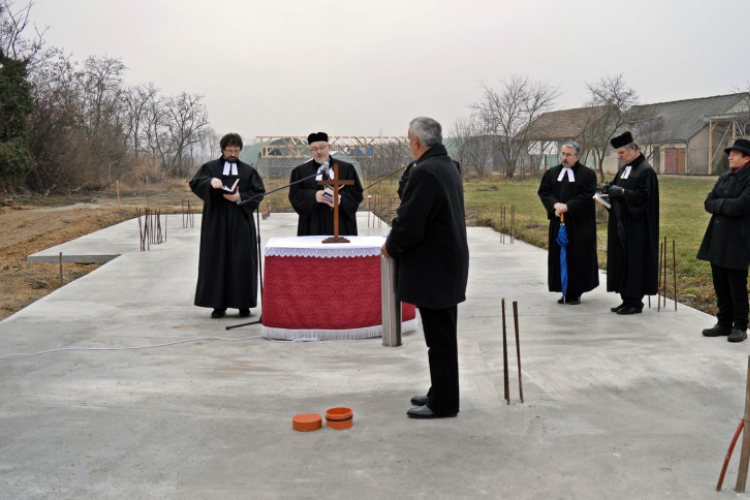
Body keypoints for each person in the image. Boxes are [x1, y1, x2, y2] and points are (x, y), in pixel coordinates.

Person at [381, 117, 469, 419]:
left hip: (436, 268)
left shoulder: (426, 171)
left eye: (408, 139)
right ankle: (439, 391)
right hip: (447, 264)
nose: (409, 144)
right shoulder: (446, 165)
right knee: (439, 338)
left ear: (417, 142)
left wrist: (391, 246)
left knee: (441, 340)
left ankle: (444, 404)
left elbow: (410, 223)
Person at [189, 133, 266, 318]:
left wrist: (241, 197)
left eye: (236, 151)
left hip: (241, 221)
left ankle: (243, 304)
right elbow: (195, 182)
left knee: (242, 260)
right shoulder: (210, 167)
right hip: (216, 221)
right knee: (217, 260)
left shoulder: (248, 171)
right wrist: (209, 182)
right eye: (229, 150)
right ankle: (218, 304)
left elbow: (259, 192)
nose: (233, 153)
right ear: (222, 150)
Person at [698, 139, 750, 343]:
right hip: (718, 238)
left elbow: (742, 205)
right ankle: (723, 322)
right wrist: (724, 205)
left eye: (735, 154)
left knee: (736, 284)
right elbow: (707, 203)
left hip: (739, 239)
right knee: (719, 281)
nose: (730, 156)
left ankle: (740, 325)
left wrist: (720, 204)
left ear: (747, 158)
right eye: (730, 154)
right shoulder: (725, 177)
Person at [602, 131, 659, 315]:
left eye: (621, 153)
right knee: (622, 259)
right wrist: (608, 192)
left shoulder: (645, 170)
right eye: (618, 154)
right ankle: (626, 299)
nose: (619, 157)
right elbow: (617, 189)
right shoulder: (624, 169)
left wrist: (623, 192)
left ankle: (635, 302)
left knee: (635, 261)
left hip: (637, 226)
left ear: (633, 149)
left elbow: (644, 196)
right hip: (621, 223)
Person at [537, 141, 599, 304]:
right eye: (563, 154)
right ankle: (563, 289)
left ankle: (575, 292)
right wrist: (554, 205)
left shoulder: (587, 175)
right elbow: (544, 191)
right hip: (559, 223)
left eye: (568, 155)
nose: (564, 158)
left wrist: (567, 206)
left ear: (577, 157)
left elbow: (587, 196)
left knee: (577, 257)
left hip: (579, 224)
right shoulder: (551, 173)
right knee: (560, 257)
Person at [288, 132, 363, 236]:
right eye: (315, 149)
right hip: (313, 226)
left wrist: (341, 199)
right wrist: (314, 196)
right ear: (310, 151)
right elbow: (295, 196)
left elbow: (356, 193)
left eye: (322, 148)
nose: (319, 152)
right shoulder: (300, 172)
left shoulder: (346, 169)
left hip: (340, 224)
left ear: (329, 147)